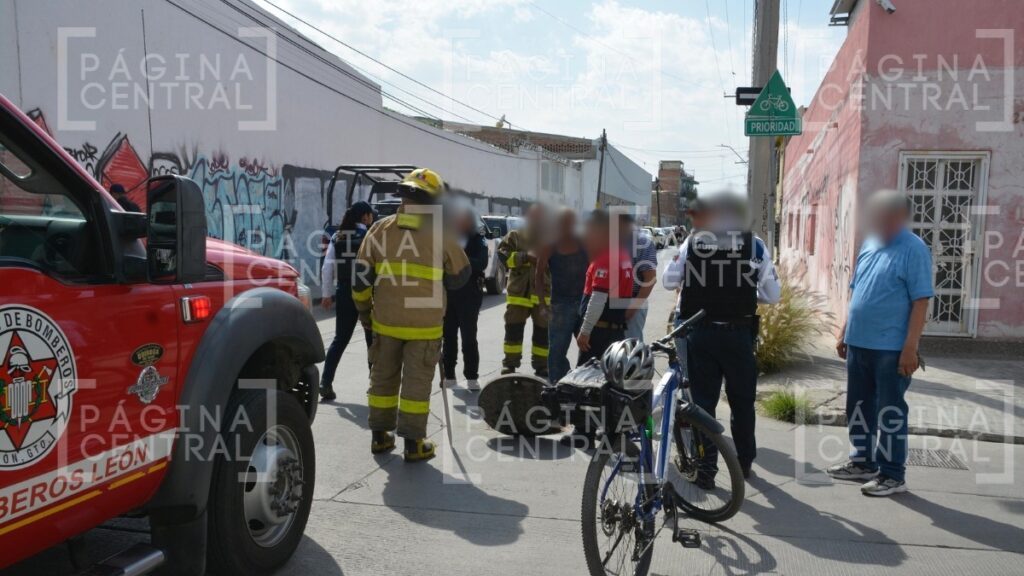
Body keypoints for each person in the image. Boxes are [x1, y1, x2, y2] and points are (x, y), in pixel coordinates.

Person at [662, 189, 781, 486]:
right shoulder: (754, 246)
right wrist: (740, 293)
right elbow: (772, 294)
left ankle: (706, 471)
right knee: (743, 401)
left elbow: (668, 281)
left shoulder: (694, 242)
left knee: (702, 404)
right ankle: (743, 464)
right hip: (739, 334)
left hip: (700, 333)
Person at [352, 168, 470, 462]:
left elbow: (359, 282)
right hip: (425, 327)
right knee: (416, 384)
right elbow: (461, 277)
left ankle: (380, 438)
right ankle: (414, 445)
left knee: (382, 381)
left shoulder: (379, 230)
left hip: (386, 322)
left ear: (402, 196)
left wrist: (366, 315)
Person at [827, 189, 933, 497]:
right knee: (858, 406)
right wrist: (845, 329)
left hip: (891, 348)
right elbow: (857, 290)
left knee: (890, 412)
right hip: (859, 343)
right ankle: (863, 462)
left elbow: (921, 301)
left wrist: (910, 347)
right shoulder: (870, 243)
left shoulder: (914, 249)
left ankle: (892, 474)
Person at [319, 201, 376, 401]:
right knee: (372, 340)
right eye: (371, 215)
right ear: (365, 217)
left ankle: (325, 382)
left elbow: (327, 268)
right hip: (367, 292)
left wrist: (326, 294)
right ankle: (374, 386)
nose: (372, 219)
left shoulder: (337, 236)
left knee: (340, 339)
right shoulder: (370, 236)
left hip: (344, 291)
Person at [534, 208, 588, 384]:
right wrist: (542, 304)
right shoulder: (551, 244)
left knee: (589, 350)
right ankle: (558, 388)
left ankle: (584, 385)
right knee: (556, 353)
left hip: (584, 304)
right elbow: (539, 274)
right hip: (560, 306)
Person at [497, 204, 550, 377]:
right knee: (513, 330)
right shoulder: (515, 236)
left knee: (542, 333)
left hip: (543, 295)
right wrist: (525, 257)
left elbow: (558, 265)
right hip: (518, 294)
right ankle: (510, 364)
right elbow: (503, 257)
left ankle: (541, 366)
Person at [577, 210, 634, 365]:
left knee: (583, 381)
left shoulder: (606, 258)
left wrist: (585, 331)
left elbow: (598, 299)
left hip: (599, 335)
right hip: (615, 332)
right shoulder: (623, 256)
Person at [442, 203, 488, 391]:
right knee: (448, 336)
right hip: (449, 292)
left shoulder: (477, 239)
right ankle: (449, 375)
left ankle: (471, 376)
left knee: (469, 337)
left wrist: (458, 260)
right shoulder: (447, 238)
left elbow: (481, 263)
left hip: (469, 294)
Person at [620, 213, 657, 341]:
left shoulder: (643, 242)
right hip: (611, 301)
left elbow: (650, 278)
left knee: (630, 347)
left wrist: (632, 308)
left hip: (633, 301)